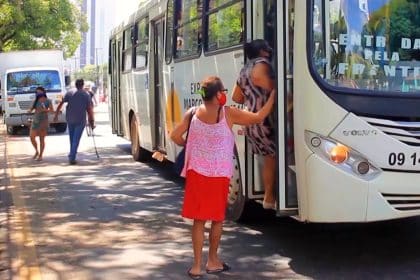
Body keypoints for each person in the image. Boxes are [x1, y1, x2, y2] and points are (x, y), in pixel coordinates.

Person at [170, 76, 275, 279]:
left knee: (198, 221)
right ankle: (213, 261)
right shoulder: (227, 113)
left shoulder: (191, 114)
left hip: (196, 174)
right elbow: (258, 117)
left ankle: (197, 267)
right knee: (217, 219)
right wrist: (273, 96)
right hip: (219, 175)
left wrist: (190, 144)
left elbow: (174, 136)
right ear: (219, 95)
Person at [232, 39, 277, 209]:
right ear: (262, 51)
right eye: (268, 48)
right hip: (266, 119)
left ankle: (269, 195)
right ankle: (269, 196)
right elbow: (268, 85)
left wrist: (252, 98)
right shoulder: (262, 64)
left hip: (250, 120)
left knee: (268, 157)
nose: (270, 50)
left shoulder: (245, 68)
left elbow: (236, 97)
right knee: (272, 156)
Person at [53, 79, 95, 165]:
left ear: (75, 85)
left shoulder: (69, 92)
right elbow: (89, 110)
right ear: (82, 85)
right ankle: (72, 157)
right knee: (76, 139)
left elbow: (61, 104)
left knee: (72, 139)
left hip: (70, 119)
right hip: (80, 120)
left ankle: (72, 155)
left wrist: (56, 115)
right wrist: (92, 121)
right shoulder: (86, 95)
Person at [27, 86, 54, 161]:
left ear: (43, 92)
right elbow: (31, 109)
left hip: (44, 122)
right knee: (32, 137)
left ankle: (41, 155)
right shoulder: (35, 101)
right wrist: (29, 110)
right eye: (36, 92)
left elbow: (52, 111)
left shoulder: (48, 101)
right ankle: (36, 151)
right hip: (35, 121)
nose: (37, 93)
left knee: (42, 139)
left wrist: (45, 110)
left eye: (39, 92)